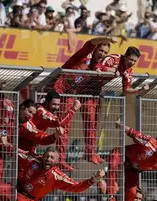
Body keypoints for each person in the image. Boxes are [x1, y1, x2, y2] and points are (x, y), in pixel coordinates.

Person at [50, 37, 117, 165]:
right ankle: (60, 159)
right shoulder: (84, 55)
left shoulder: (100, 64)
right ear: (95, 49)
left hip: (78, 92)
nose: (102, 54)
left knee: (91, 121)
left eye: (105, 52)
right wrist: (106, 38)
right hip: (61, 89)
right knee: (64, 126)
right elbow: (90, 43)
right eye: (100, 50)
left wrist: (113, 71)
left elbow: (117, 69)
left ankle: (90, 153)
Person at [1, 146, 105, 201]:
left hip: (28, 200)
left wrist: (94, 179)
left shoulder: (57, 176)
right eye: (47, 156)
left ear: (56, 162)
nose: (48, 159)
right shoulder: (33, 159)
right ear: (43, 156)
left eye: (52, 158)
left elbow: (76, 187)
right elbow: (17, 151)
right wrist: (4, 143)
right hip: (15, 188)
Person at [31, 91, 80, 171]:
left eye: (58, 105)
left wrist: (56, 134)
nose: (56, 107)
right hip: (24, 145)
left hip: (31, 145)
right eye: (54, 104)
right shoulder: (41, 111)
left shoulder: (44, 109)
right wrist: (74, 109)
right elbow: (59, 121)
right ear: (47, 102)